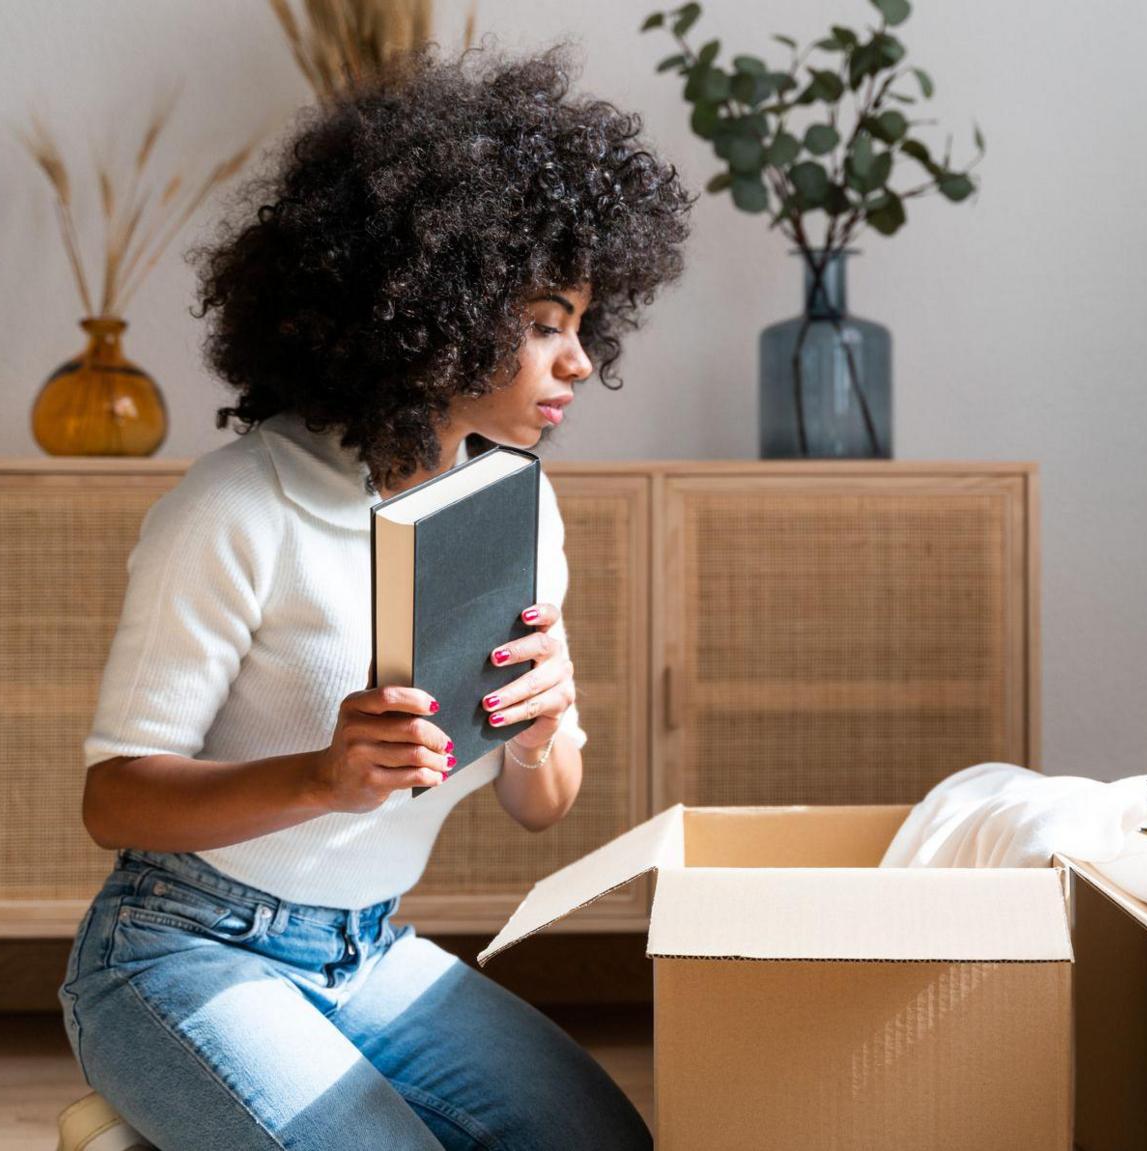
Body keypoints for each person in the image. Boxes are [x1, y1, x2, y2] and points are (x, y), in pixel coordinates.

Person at [57, 40, 694, 1151]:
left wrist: (544, 728)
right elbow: (115, 800)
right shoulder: (236, 507)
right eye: (545, 323)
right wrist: (321, 776)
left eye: (585, 325)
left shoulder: (508, 506)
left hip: (370, 948)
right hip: (181, 947)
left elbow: (538, 803)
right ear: (431, 302)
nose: (579, 362)